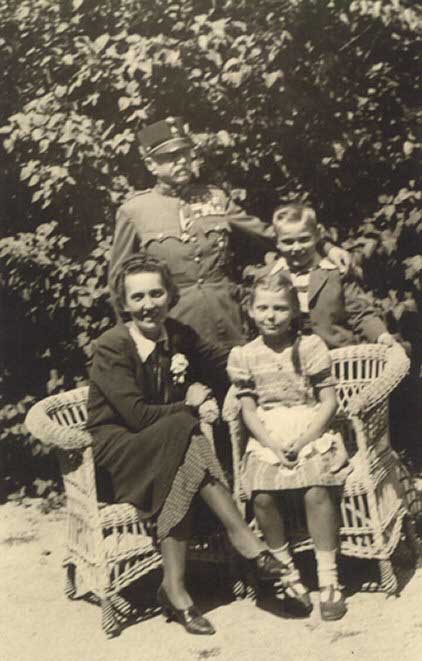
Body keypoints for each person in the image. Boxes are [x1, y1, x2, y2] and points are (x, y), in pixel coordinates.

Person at [87, 253, 302, 636]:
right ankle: (248, 543)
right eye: (137, 298)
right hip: (120, 453)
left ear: (170, 295)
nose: (148, 304)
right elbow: (135, 416)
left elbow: (223, 362)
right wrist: (189, 402)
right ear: (123, 304)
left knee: (184, 451)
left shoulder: (178, 335)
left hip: (168, 446)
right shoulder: (111, 346)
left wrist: (275, 357)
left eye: (156, 293)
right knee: (185, 427)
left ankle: (176, 590)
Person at [109, 117, 351, 354]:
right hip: (177, 323)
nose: (181, 161)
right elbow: (118, 281)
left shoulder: (215, 198)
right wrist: (135, 336)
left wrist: (327, 247)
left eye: (184, 154)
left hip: (229, 318)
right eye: (170, 157)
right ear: (151, 165)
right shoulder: (134, 211)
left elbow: (269, 233)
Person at [227, 270, 351, 621]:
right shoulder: (244, 355)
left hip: (309, 427)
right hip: (268, 433)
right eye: (263, 307)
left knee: (316, 490)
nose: (271, 316)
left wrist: (306, 438)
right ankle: (287, 575)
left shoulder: (309, 346)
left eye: (280, 308)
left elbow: (328, 401)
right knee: (262, 495)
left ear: (294, 311)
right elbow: (248, 410)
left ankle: (329, 580)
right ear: (250, 310)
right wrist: (273, 444)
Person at [265, 204, 396, 348]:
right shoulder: (269, 276)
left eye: (304, 239)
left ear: (317, 236)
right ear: (276, 241)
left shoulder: (335, 271)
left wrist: (381, 335)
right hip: (290, 361)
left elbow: (361, 313)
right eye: (288, 242)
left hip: (338, 358)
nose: (297, 248)